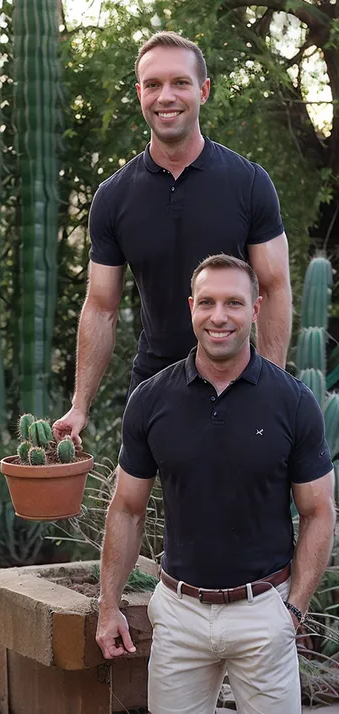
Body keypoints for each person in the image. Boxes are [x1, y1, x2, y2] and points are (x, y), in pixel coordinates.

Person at [95, 255, 335, 714]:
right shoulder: (150, 400)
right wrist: (109, 607)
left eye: (233, 303)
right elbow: (126, 508)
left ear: (256, 309)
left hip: (265, 612)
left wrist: (293, 612)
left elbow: (318, 511)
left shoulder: (292, 402)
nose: (219, 316)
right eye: (207, 302)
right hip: (179, 613)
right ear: (191, 308)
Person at [53, 31, 292, 447]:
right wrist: (80, 405)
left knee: (236, 510)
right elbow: (100, 308)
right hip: (154, 385)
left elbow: (273, 289)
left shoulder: (249, 183)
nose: (166, 96)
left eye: (180, 83)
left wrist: (268, 388)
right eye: (153, 85)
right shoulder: (114, 196)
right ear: (140, 93)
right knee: (130, 508)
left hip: (237, 382)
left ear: (203, 90)